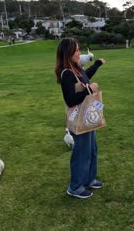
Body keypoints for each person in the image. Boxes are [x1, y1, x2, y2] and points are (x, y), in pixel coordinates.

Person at [55, 38, 106, 199]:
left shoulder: (76, 69)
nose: (79, 52)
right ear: (68, 53)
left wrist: (97, 64)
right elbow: (70, 100)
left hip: (86, 118)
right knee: (81, 153)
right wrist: (89, 89)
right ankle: (75, 187)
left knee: (92, 150)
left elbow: (85, 77)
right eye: (76, 50)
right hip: (79, 118)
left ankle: (89, 179)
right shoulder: (66, 73)